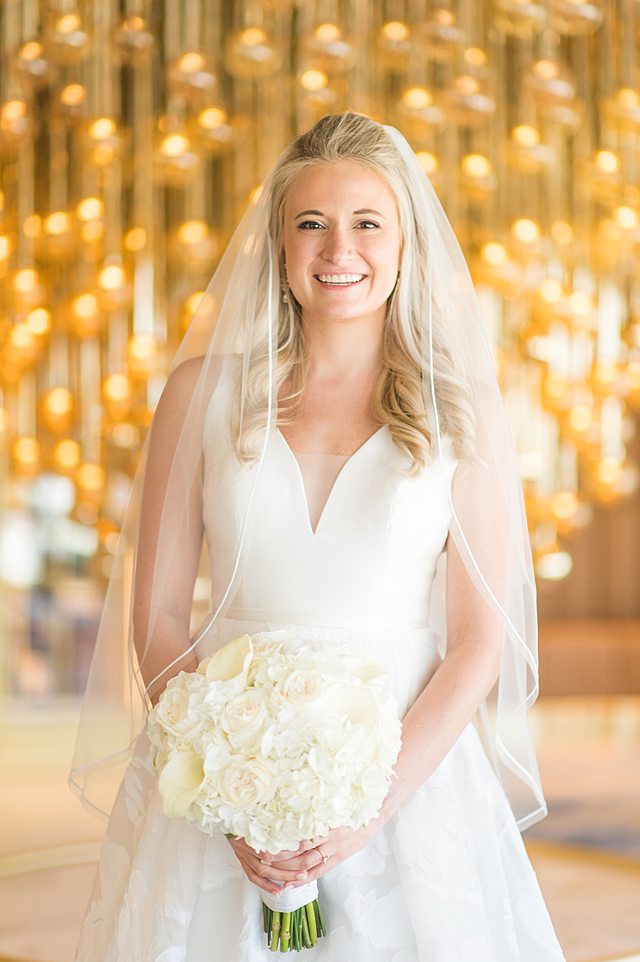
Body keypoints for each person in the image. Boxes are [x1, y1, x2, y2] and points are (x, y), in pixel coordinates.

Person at [71, 112, 566, 960]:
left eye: (367, 223)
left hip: (409, 787)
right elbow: (154, 615)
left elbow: (479, 643)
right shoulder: (200, 394)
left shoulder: (461, 408)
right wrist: (226, 791)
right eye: (312, 224)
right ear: (279, 244)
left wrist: (371, 808)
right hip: (217, 789)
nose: (339, 250)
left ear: (405, 243)